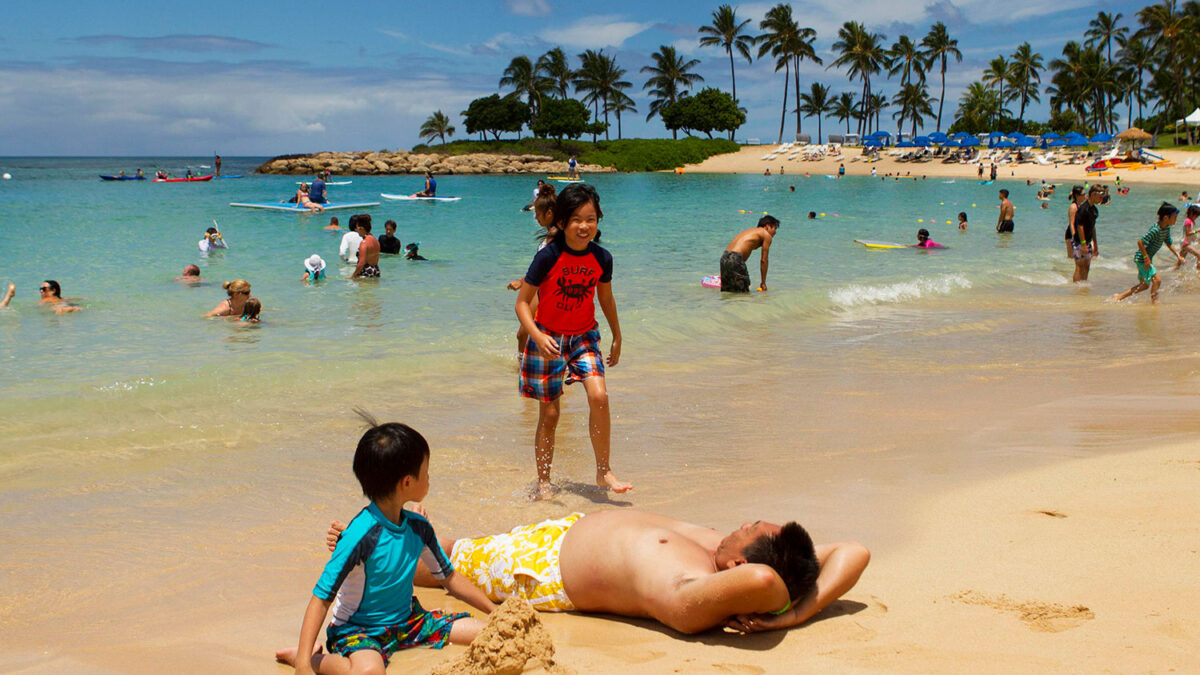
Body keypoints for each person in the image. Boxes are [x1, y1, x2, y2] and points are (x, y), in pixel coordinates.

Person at [327, 509, 870, 636]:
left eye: (750, 527)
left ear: (736, 563)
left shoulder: (693, 585)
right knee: (450, 544)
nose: (743, 520)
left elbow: (764, 584)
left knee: (434, 565)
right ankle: (364, 545)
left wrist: (784, 617)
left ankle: (355, 558)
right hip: (554, 536)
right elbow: (856, 551)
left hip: (538, 572)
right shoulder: (735, 556)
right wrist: (801, 612)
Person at [276, 416, 494, 675]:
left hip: (408, 621)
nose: (429, 477)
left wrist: (494, 612)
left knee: (488, 633)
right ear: (407, 482)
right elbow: (321, 598)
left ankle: (311, 657)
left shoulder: (418, 527)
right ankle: (310, 659)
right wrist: (303, 665)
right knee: (369, 673)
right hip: (359, 630)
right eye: (426, 471)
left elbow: (450, 578)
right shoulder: (360, 535)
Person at [514, 183, 630, 499]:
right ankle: (544, 482)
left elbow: (605, 297)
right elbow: (522, 303)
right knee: (550, 415)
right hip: (547, 339)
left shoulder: (602, 258)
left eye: (591, 219)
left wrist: (618, 335)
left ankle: (603, 470)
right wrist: (536, 336)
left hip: (583, 337)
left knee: (600, 396)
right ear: (562, 222)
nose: (584, 226)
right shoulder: (547, 257)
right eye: (577, 219)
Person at [508, 184, 558, 352]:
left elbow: (545, 269)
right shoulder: (552, 233)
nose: (536, 217)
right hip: (540, 287)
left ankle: (521, 368)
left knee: (523, 333)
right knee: (524, 334)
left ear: (549, 213)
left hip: (544, 290)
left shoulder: (554, 236)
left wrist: (522, 282)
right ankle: (523, 365)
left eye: (537, 213)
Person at [1113, 203, 1185, 304]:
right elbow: (1140, 242)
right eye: (1174, 217)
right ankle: (1154, 303)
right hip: (1142, 258)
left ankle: (1119, 297)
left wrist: (1178, 255)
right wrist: (1146, 259)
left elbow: (1168, 243)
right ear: (1165, 218)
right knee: (1157, 280)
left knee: (1145, 285)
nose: (1176, 220)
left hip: (1145, 258)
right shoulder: (1155, 230)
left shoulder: (1166, 228)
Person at [720, 215, 779, 293]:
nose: (775, 232)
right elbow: (764, 260)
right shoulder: (766, 235)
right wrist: (763, 282)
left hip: (724, 257)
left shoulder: (750, 231)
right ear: (767, 226)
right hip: (735, 258)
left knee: (728, 293)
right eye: (775, 228)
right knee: (743, 295)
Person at [1070, 185, 1103, 283]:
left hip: (1088, 241)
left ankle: (1083, 285)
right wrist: (1083, 244)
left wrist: (1095, 245)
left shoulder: (1094, 210)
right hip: (1079, 241)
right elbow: (1080, 226)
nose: (1101, 199)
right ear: (1093, 194)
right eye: (1100, 197)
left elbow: (1093, 228)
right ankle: (1076, 287)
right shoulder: (1083, 209)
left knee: (1087, 266)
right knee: (1079, 266)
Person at [1173, 204, 1200, 271]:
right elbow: (1188, 233)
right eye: (1196, 215)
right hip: (1186, 244)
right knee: (1199, 255)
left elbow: (1191, 234)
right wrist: (1197, 230)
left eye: (1197, 216)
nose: (1196, 217)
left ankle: (1172, 271)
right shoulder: (1188, 221)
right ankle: (1198, 270)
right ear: (1191, 213)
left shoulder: (1191, 221)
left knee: (1180, 261)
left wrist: (1197, 239)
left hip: (1185, 243)